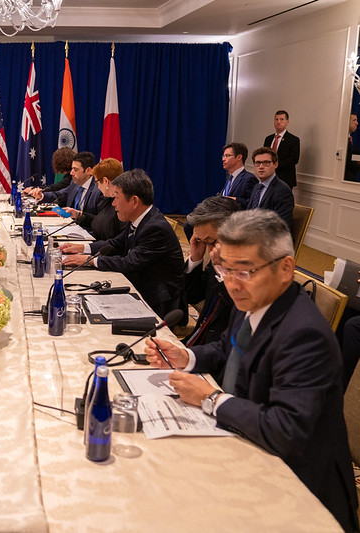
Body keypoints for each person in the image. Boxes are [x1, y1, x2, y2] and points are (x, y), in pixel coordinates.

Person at [144, 209, 358, 532]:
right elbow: (228, 351)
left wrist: (211, 399)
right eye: (225, 270)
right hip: (244, 442)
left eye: (244, 272)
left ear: (286, 268)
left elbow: (286, 430)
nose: (231, 284)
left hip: (301, 490)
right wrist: (185, 356)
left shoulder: (304, 334)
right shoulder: (256, 301)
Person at [61, 169, 185, 319]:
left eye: (116, 197)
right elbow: (115, 244)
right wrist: (82, 248)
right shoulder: (139, 218)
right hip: (138, 286)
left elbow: (129, 262)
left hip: (157, 301)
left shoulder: (155, 227)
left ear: (133, 201)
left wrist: (90, 261)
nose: (113, 203)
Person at [183, 196, 241, 346]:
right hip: (199, 342)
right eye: (202, 242)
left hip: (222, 354)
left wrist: (224, 272)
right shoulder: (216, 258)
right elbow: (193, 296)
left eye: (210, 242)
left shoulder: (256, 269)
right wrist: (196, 258)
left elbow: (238, 313)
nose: (209, 250)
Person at [69, 157, 126, 241]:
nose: (97, 186)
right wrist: (79, 215)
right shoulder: (108, 199)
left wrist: (86, 248)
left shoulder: (122, 205)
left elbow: (116, 241)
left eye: (97, 182)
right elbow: (99, 221)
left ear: (106, 181)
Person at [33, 151, 101, 218]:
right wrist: (41, 195)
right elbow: (58, 194)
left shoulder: (99, 190)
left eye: (75, 169)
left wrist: (79, 215)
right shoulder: (74, 184)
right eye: (72, 169)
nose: (71, 173)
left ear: (88, 171)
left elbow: (100, 221)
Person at [246, 147, 294, 231]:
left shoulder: (282, 190)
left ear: (275, 164)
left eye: (266, 163)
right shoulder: (256, 187)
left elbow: (281, 225)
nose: (261, 167)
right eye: (257, 163)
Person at [263, 110, 300, 189]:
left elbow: (294, 159)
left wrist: (275, 165)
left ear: (287, 122)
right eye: (276, 119)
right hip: (267, 177)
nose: (278, 122)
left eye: (282, 119)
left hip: (285, 179)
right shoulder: (268, 139)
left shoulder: (293, 140)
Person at [219, 143, 257, 208]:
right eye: (223, 156)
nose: (223, 159)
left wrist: (235, 200)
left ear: (239, 157)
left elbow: (254, 203)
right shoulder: (230, 178)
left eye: (227, 155)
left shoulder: (249, 178)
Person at [345, 113, 359, 182]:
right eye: (354, 120)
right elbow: (346, 161)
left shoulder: (349, 138)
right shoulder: (342, 140)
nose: (357, 123)